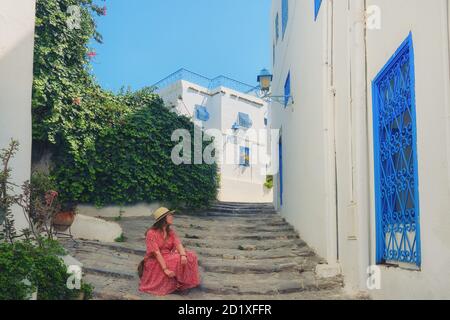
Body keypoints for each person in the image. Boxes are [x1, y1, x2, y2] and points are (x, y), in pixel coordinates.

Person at [139, 207, 201, 296]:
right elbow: (156, 253)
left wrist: (183, 255)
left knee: (191, 255)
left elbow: (178, 243)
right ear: (164, 218)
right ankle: (176, 282)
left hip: (167, 255)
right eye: (170, 215)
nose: (172, 217)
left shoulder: (170, 231)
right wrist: (165, 269)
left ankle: (182, 282)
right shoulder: (151, 233)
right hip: (155, 260)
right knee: (176, 258)